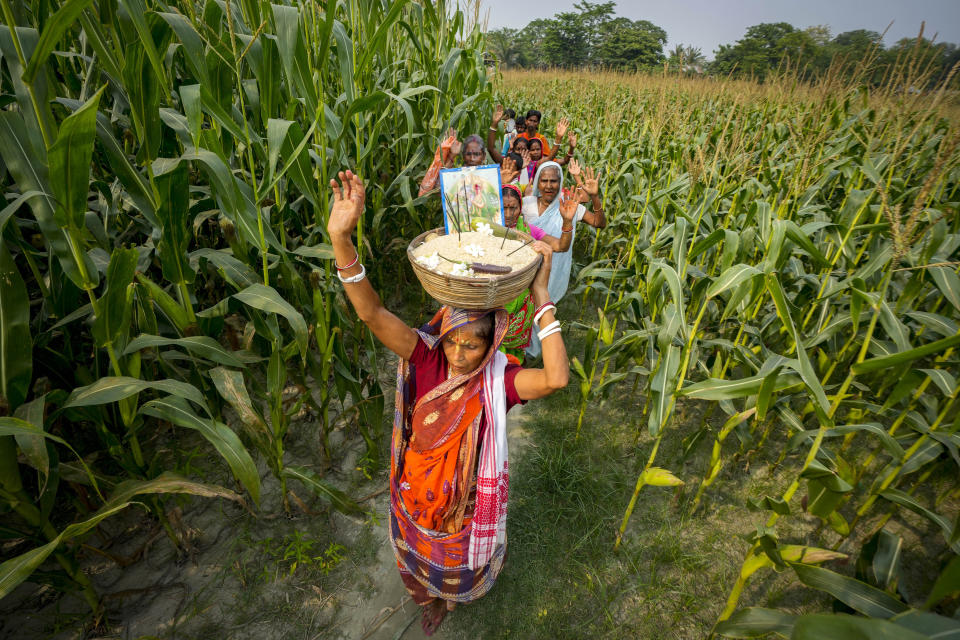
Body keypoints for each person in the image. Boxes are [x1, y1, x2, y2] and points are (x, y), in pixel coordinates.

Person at [326, 170, 570, 636]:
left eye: (473, 345)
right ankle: (430, 597)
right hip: (416, 490)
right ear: (441, 334)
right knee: (418, 561)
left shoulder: (499, 381)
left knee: (454, 565)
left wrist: (541, 296)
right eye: (452, 341)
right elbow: (371, 313)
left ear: (491, 344)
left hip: (464, 503)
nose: (459, 354)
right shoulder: (425, 356)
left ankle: (448, 598)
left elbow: (557, 377)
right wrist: (341, 238)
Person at [522, 161, 605, 357]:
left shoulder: (569, 204)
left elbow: (599, 222)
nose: (549, 186)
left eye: (554, 181)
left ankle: (535, 350)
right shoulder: (526, 205)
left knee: (542, 306)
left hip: (554, 268)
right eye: (544, 181)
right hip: (527, 267)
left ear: (560, 182)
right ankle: (519, 347)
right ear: (538, 183)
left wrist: (594, 196)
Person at [500, 184, 577, 364]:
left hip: (521, 302)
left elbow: (560, 246)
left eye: (513, 208)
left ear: (521, 208)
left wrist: (567, 222)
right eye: (504, 207)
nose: (509, 213)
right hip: (497, 300)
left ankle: (513, 375)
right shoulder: (487, 229)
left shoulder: (528, 231)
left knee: (514, 354)